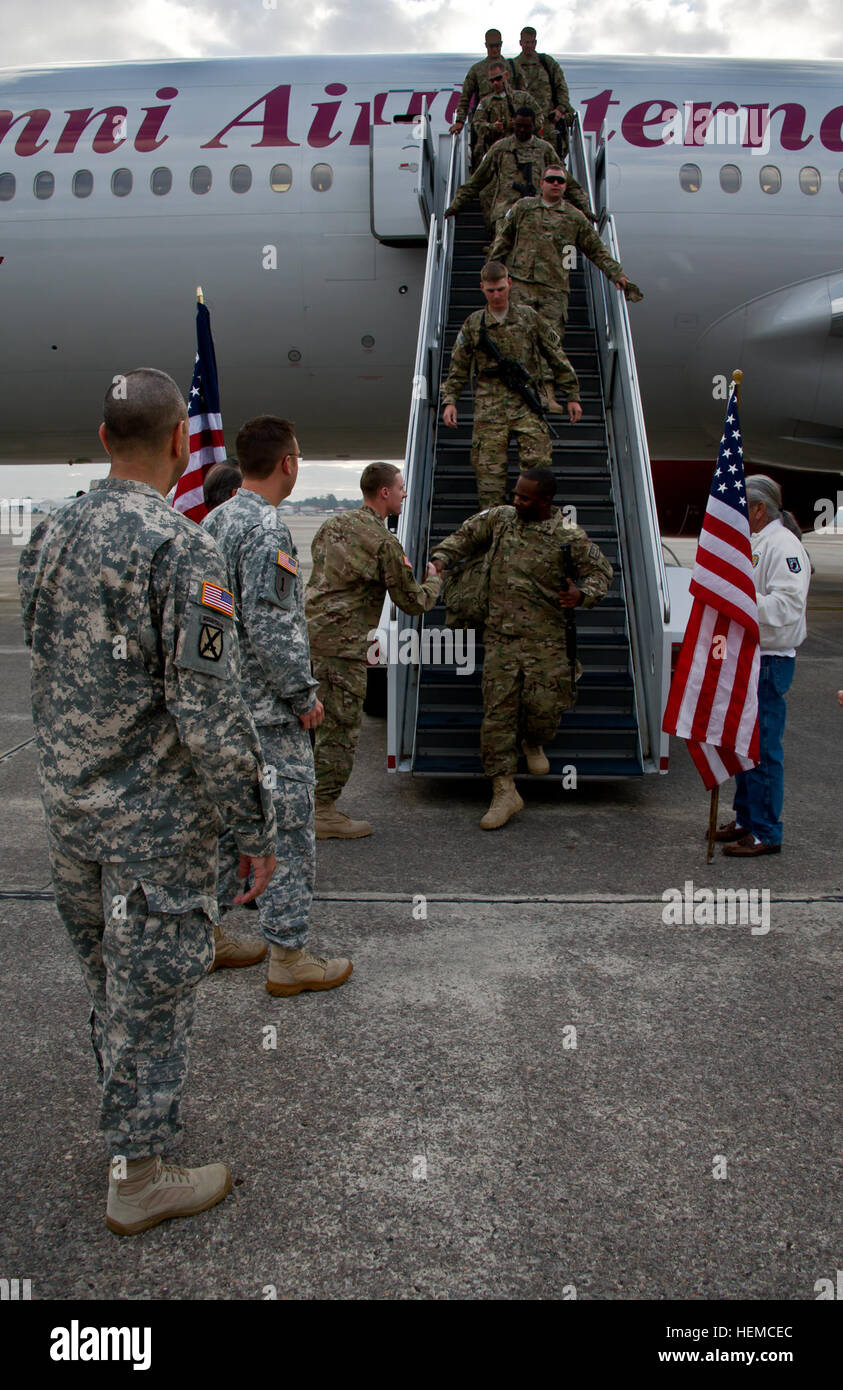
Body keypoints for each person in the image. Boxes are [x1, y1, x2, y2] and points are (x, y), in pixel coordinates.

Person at [18, 368, 278, 1235]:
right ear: (178, 442)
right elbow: (209, 706)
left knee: (111, 987)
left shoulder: (47, 534)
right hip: (151, 827)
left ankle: (128, 1129)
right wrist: (253, 825)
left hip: (70, 817)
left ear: (103, 439)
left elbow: (51, 664)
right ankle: (139, 1177)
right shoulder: (182, 548)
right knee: (154, 994)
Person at [203, 416, 352, 995]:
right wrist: (302, 694)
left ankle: (209, 935)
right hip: (267, 714)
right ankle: (289, 957)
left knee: (219, 825)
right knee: (287, 828)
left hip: (218, 711)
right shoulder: (266, 530)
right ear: (287, 463)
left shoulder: (212, 521)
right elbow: (271, 625)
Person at [431, 467, 612, 828]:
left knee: (545, 709)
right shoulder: (501, 519)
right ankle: (504, 791)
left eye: (524, 497)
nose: (516, 500)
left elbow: (600, 572)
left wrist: (582, 594)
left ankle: (533, 741)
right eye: (516, 493)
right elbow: (465, 536)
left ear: (545, 501)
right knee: (496, 717)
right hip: (500, 639)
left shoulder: (568, 535)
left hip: (548, 643)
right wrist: (439, 561)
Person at [306, 464, 441, 837]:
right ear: (384, 492)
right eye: (400, 488)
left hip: (312, 638)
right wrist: (434, 582)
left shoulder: (332, 526)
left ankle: (303, 803)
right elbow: (412, 602)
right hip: (344, 648)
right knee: (341, 729)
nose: (404, 494)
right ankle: (323, 811)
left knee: (312, 724)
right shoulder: (383, 542)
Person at [716, 475, 811, 857]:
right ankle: (746, 819)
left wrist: (740, 599)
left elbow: (787, 607)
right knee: (744, 743)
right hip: (748, 656)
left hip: (769, 660)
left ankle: (766, 831)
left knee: (763, 748)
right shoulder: (758, 542)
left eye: (741, 506)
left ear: (758, 509)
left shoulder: (783, 545)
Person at [441, 261, 582, 508]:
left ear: (510, 284)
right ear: (482, 288)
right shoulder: (474, 324)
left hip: (526, 403)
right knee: (489, 479)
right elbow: (458, 366)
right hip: (489, 408)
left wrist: (572, 395)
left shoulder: (528, 317)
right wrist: (450, 401)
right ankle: (496, 536)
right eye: (491, 290)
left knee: (538, 470)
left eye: (501, 289)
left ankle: (531, 529)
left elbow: (555, 355)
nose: (496, 295)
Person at [490, 165, 641, 344]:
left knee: (550, 344)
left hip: (553, 291)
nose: (556, 183)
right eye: (551, 180)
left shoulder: (574, 217)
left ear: (565, 186)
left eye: (560, 181)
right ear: (541, 184)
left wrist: (616, 274)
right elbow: (503, 240)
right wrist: (491, 274)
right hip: (521, 285)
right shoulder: (523, 207)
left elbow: (596, 249)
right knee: (515, 339)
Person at [445, 107, 591, 237]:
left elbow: (567, 181)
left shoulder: (544, 149)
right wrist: (456, 205)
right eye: (518, 126)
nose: (521, 130)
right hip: (506, 214)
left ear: (533, 126)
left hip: (537, 213)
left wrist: (585, 207)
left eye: (526, 127)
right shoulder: (500, 148)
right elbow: (477, 181)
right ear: (513, 123)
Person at [508, 26, 573, 150]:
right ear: (520, 43)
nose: (529, 45)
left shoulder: (547, 63)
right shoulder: (512, 66)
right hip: (522, 124)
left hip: (547, 123)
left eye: (532, 42)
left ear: (536, 43)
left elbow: (561, 88)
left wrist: (560, 109)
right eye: (526, 42)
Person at [449, 27, 505, 156]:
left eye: (498, 45)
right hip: (483, 126)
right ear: (486, 46)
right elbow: (465, 97)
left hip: (506, 126)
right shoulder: (477, 70)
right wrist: (460, 121)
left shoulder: (511, 67)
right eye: (492, 46)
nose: (495, 49)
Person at [471, 63, 533, 162]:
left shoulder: (523, 98)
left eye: (498, 78)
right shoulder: (486, 102)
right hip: (496, 153)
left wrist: (522, 126)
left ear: (506, 75)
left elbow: (539, 117)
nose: (495, 83)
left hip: (522, 153)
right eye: (492, 81)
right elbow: (477, 124)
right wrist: (492, 126)